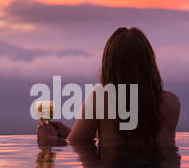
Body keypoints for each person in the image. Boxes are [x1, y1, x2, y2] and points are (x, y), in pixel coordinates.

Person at [37, 27, 180, 146]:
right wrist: (72, 132)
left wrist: (49, 139)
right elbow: (132, 136)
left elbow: (78, 147)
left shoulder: (101, 99)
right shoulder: (172, 103)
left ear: (109, 66)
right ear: (149, 63)